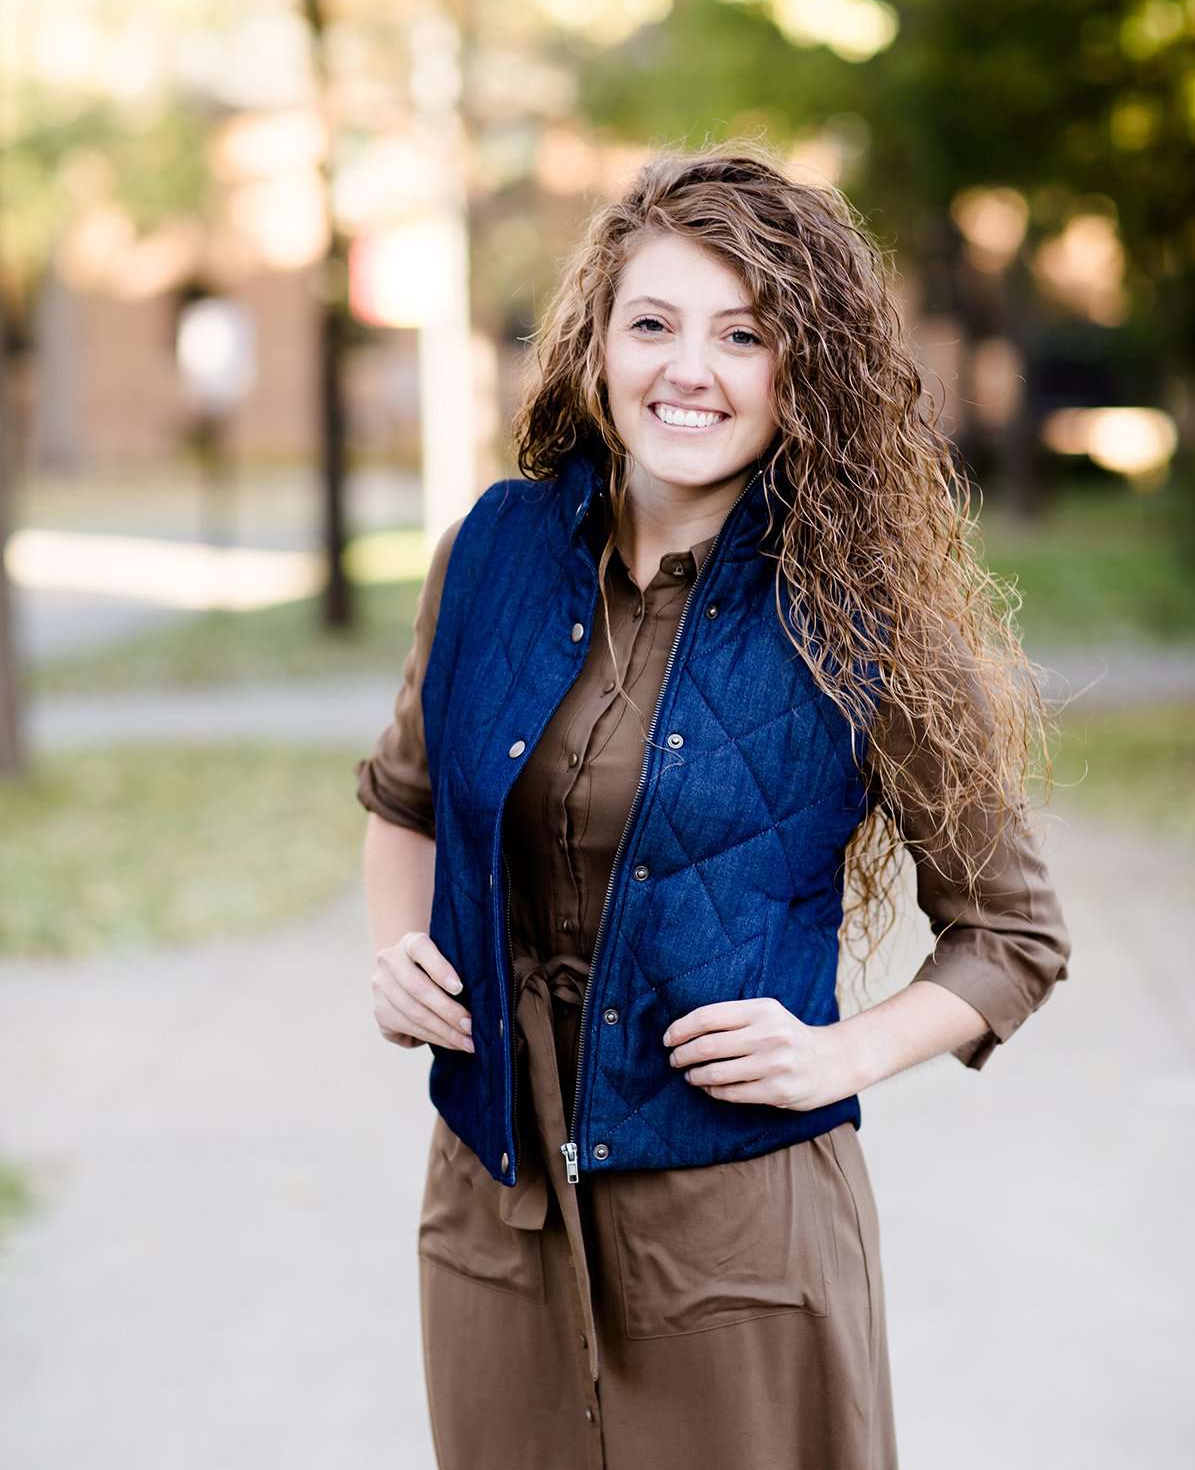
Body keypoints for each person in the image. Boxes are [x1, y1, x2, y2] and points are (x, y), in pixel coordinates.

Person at [355, 142, 1072, 1470]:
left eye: (743, 334)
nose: (689, 368)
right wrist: (400, 952)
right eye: (654, 323)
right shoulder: (492, 552)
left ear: (801, 373)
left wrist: (842, 1055)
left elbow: (1013, 939)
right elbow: (403, 798)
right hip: (494, 1205)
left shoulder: (865, 617)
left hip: (735, 1241)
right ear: (597, 345)